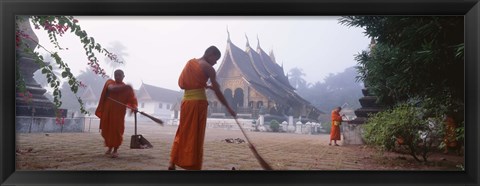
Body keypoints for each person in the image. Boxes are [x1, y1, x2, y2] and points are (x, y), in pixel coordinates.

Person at [168, 46, 236, 170]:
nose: (216, 62)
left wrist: (204, 85)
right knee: (195, 135)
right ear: (210, 55)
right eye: (216, 59)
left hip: (186, 102)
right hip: (198, 104)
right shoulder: (209, 68)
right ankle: (192, 165)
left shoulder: (190, 63)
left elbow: (183, 84)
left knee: (182, 132)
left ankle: (172, 161)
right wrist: (228, 107)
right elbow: (218, 91)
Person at [95, 69, 138, 158]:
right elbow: (111, 88)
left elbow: (132, 100)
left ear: (123, 76)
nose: (117, 77)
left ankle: (115, 150)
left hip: (118, 114)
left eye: (119, 75)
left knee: (117, 131)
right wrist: (126, 87)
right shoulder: (110, 82)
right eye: (116, 75)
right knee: (107, 131)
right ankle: (109, 148)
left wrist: (134, 107)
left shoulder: (127, 89)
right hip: (108, 113)